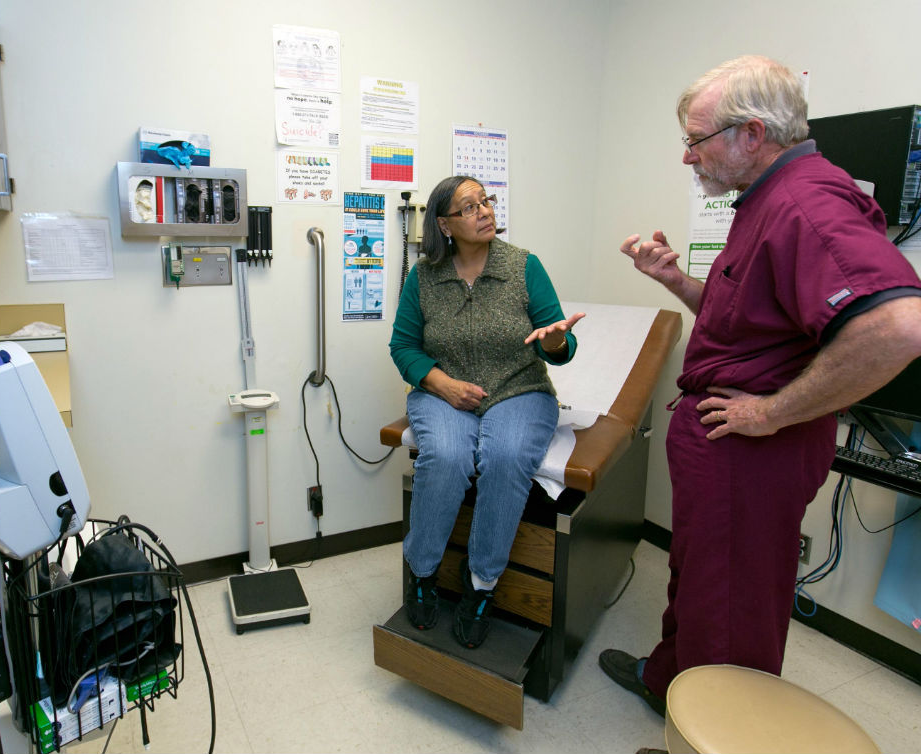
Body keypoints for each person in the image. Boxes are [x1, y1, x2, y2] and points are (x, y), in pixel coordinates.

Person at [600, 55, 921, 717]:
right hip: (722, 444)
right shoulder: (764, 201)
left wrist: (772, 412)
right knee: (700, 584)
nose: (688, 159)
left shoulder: (804, 202)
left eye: (695, 141)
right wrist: (675, 281)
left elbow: (898, 326)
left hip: (748, 456)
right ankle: (669, 684)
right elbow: (746, 327)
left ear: (751, 134)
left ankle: (715, 731)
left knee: (731, 607)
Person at [389, 175, 584, 649]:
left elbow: (560, 344)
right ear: (444, 224)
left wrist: (557, 341)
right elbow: (403, 348)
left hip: (519, 391)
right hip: (444, 392)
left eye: (486, 201)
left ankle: (481, 584)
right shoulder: (424, 277)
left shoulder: (524, 267)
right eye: (469, 206)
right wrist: (441, 384)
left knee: (506, 457)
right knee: (449, 458)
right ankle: (423, 571)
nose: (485, 211)